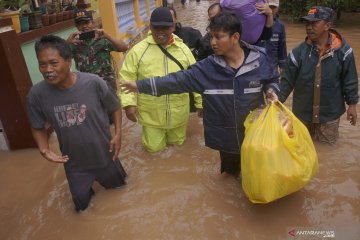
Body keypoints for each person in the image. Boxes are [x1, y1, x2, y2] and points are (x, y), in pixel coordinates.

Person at [121, 11, 279, 175]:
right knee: (230, 176)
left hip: (256, 133)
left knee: (258, 174)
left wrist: (271, 90)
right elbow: (176, 81)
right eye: (211, 37)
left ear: (235, 37)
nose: (212, 43)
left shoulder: (260, 59)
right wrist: (140, 86)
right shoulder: (208, 68)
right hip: (226, 139)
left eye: (218, 37)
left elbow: (272, 78)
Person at [26, 35, 128, 212]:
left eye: (53, 63)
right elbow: (37, 126)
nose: (47, 70)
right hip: (75, 165)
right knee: (82, 209)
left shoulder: (93, 83)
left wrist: (118, 134)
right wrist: (44, 149)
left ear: (68, 61)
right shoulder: (36, 95)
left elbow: (115, 106)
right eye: (42, 64)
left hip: (106, 156)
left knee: (121, 193)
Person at [118, 7, 202, 153]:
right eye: (156, 27)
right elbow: (126, 78)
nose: (160, 31)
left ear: (173, 27)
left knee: (178, 151)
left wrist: (200, 102)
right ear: (150, 27)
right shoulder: (138, 51)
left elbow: (195, 78)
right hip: (151, 117)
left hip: (179, 114)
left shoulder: (183, 49)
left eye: (165, 27)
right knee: (153, 152)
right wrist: (128, 104)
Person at [279, 6, 358, 144]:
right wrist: (276, 103)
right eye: (307, 23)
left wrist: (352, 105)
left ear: (327, 25)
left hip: (329, 116)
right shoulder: (298, 53)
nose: (309, 27)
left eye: (314, 23)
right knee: (301, 150)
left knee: (328, 152)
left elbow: (350, 80)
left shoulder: (343, 52)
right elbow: (286, 82)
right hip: (302, 115)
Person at [67, 10, 128, 92]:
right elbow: (60, 58)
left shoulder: (103, 39)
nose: (84, 26)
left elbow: (124, 48)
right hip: (86, 84)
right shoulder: (74, 43)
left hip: (107, 82)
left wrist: (108, 36)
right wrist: (67, 43)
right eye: (80, 24)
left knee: (111, 105)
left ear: (93, 23)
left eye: (86, 22)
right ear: (77, 26)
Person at [195, 1, 273, 60]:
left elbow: (266, 35)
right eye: (213, 19)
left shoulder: (241, 31)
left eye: (221, 15)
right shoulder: (206, 43)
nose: (219, 20)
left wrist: (269, 14)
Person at [168, 6, 203, 112]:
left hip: (189, 82)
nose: (168, 21)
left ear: (176, 18)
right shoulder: (157, 40)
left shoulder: (191, 33)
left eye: (170, 17)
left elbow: (203, 53)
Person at [264, 0, 287, 76]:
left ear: (278, 8)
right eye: (270, 7)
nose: (271, 10)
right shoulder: (258, 22)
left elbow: (282, 46)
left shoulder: (280, 25)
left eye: (274, 7)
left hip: (272, 67)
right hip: (257, 66)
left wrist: (282, 66)